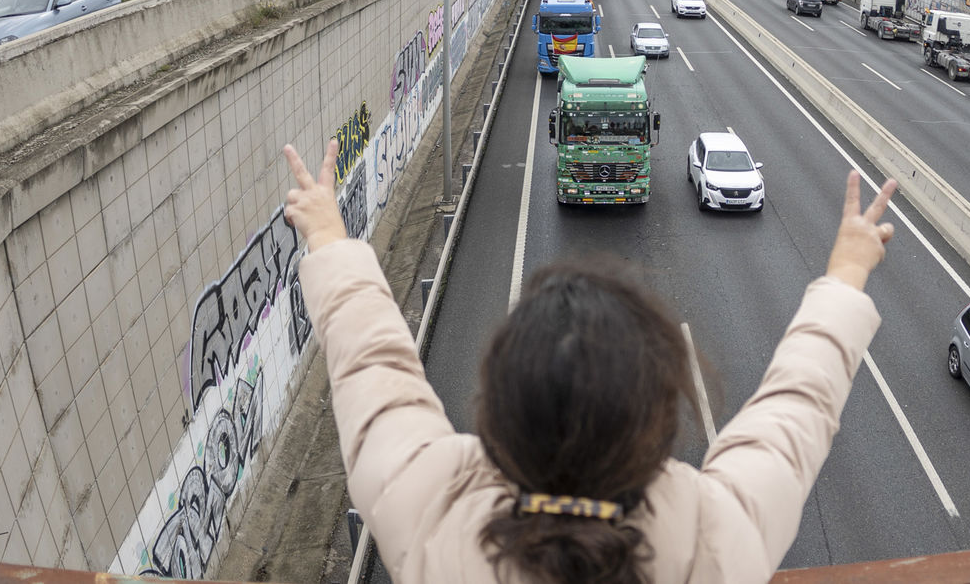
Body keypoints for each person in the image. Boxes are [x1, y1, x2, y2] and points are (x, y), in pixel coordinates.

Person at [282, 138, 897, 583]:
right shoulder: (717, 539)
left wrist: (328, 237)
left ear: (496, 414)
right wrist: (846, 273)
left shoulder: (430, 513)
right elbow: (793, 415)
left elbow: (373, 368)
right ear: (658, 421)